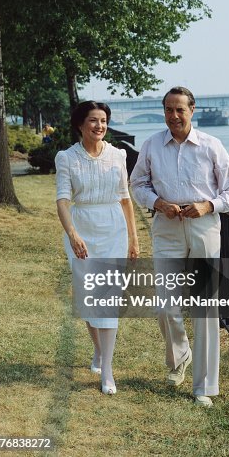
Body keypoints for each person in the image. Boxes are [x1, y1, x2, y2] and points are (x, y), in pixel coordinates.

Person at [130, 86, 229, 407]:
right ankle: (179, 356)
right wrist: (157, 202)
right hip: (166, 227)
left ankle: (204, 388)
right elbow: (137, 184)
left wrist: (209, 206)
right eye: (168, 110)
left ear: (192, 110)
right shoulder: (152, 145)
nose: (174, 116)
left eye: (180, 110)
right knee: (165, 305)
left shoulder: (212, 145)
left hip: (204, 227)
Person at [55, 101, 139, 395]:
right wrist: (73, 234)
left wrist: (133, 238)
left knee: (108, 298)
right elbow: (63, 200)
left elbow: (125, 198)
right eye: (93, 120)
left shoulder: (118, 155)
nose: (99, 126)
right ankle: (99, 351)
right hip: (82, 228)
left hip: (113, 228)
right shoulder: (66, 158)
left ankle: (108, 370)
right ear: (80, 124)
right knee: (89, 298)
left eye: (103, 120)